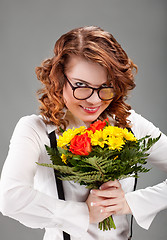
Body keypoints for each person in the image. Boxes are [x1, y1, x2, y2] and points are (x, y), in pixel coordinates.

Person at [0, 26, 167, 240]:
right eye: (81, 85)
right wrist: (82, 213)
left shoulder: (130, 124)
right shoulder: (36, 130)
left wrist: (130, 203)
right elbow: (10, 198)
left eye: (105, 86)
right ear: (59, 80)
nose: (94, 100)